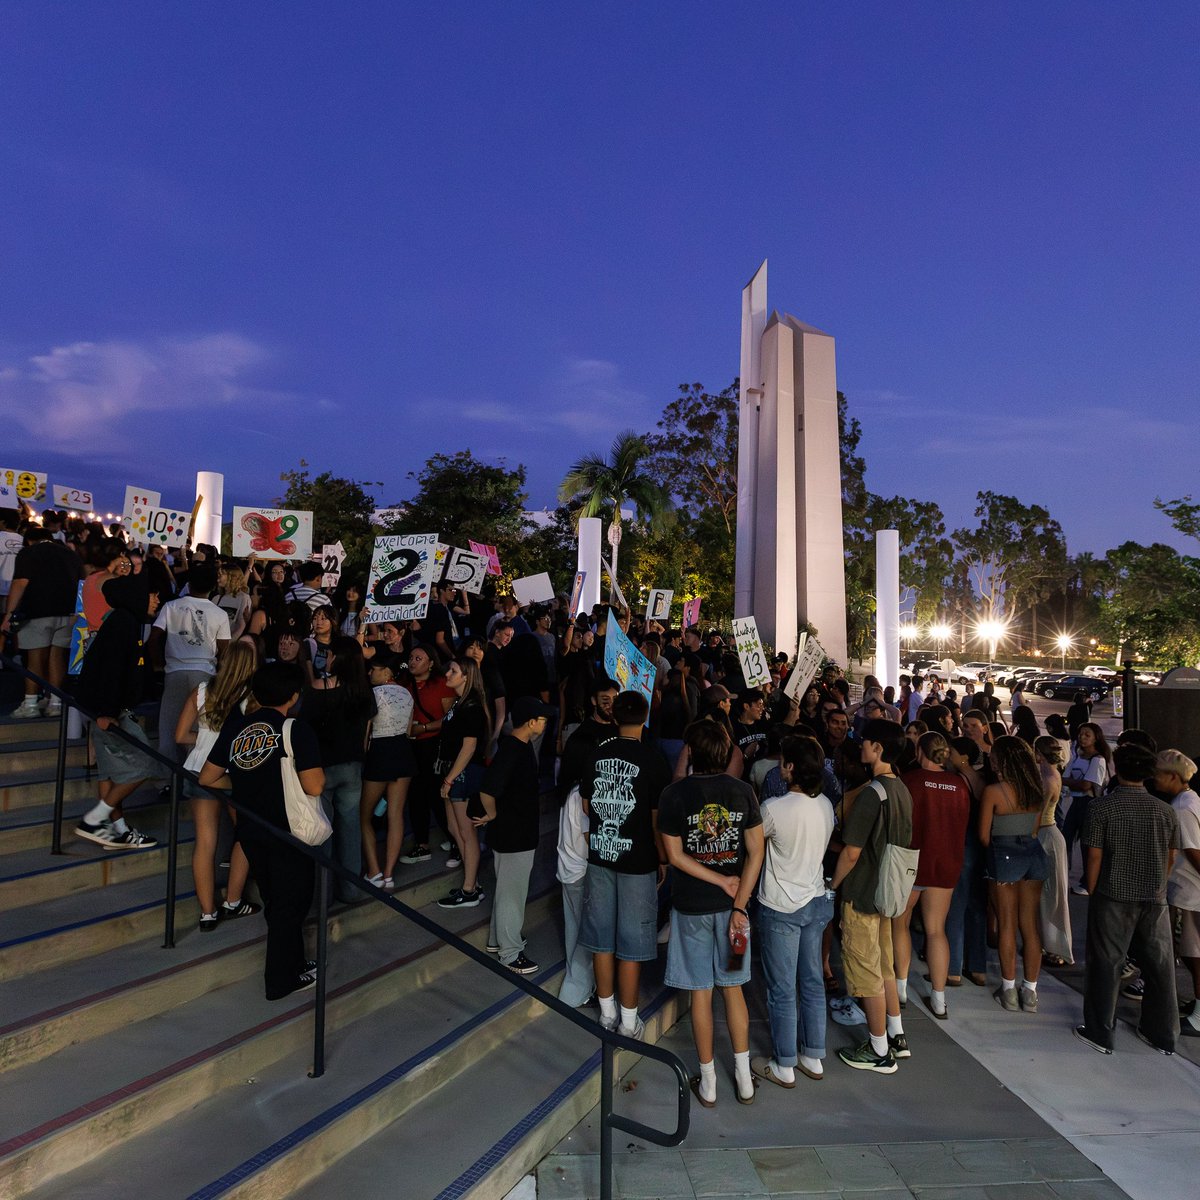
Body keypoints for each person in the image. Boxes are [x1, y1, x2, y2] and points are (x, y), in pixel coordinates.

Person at [200, 662, 325, 1002]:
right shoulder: (295, 730)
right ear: (294, 696)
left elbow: (207, 778)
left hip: (251, 829)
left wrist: (242, 782)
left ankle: (295, 963)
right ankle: (280, 980)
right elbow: (314, 785)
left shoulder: (236, 729)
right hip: (289, 831)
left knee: (275, 901)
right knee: (292, 904)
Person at [659, 719, 764, 1106]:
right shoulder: (743, 791)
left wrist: (717, 881)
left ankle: (708, 1082)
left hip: (691, 911)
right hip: (735, 916)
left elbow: (674, 856)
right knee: (733, 990)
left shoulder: (674, 794)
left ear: (691, 752)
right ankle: (744, 1078)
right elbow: (756, 852)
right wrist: (738, 900)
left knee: (701, 995)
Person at [1074, 742, 1180, 1055]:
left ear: (1117, 769)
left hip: (1113, 893)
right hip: (1154, 895)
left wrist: (1093, 890)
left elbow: (1094, 855)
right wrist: (1159, 884)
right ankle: (1162, 1035)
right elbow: (1171, 855)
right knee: (1160, 967)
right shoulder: (1165, 810)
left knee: (1107, 963)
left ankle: (1100, 1032)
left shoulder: (1102, 808)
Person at [578, 691, 670, 1038]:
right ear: (645, 718)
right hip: (639, 862)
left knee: (601, 939)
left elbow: (586, 805)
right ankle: (629, 1023)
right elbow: (656, 819)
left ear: (614, 717)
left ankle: (606, 1014)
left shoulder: (596, 754)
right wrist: (663, 858)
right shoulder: (654, 759)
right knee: (632, 943)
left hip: (601, 856)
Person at [752, 735, 835, 1087]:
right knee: (812, 982)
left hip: (781, 905)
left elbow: (753, 847)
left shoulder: (773, 808)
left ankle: (784, 1064)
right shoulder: (826, 805)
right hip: (815, 900)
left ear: (790, 767)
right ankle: (813, 1056)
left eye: (782, 761)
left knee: (782, 989)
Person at [176, 641, 262, 928]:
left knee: (205, 843)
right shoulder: (251, 698)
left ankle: (207, 913)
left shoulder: (201, 691)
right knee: (247, 834)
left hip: (198, 769)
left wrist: (204, 739)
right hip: (232, 774)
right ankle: (233, 900)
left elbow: (180, 736)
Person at [73, 571, 161, 849]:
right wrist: (106, 711)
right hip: (111, 711)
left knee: (109, 773)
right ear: (137, 596)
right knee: (145, 764)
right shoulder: (124, 623)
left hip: (106, 707)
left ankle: (117, 830)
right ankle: (95, 820)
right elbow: (111, 669)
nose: (157, 600)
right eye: (153, 595)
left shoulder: (121, 620)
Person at [473, 697, 555, 974]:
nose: (545, 723)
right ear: (530, 722)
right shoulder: (515, 749)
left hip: (513, 832)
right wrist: (492, 814)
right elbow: (488, 790)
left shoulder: (516, 746)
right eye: (542, 719)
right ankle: (510, 953)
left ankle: (498, 940)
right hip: (514, 834)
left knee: (508, 890)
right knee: (513, 893)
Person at [896, 731, 971, 1019]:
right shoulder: (959, 785)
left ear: (920, 752)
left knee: (900, 923)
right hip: (946, 862)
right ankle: (939, 999)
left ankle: (900, 988)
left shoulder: (910, 781)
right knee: (936, 930)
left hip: (912, 861)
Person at [301, 636, 375, 903]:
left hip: (322, 767)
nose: (327, 658)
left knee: (324, 829)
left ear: (338, 658)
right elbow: (367, 732)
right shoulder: (363, 690)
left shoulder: (317, 688)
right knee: (350, 827)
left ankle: (324, 894)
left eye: (331, 654)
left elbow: (304, 729)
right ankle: (351, 889)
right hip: (353, 765)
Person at [980, 736, 1048, 1013]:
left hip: (1003, 854)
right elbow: (1034, 830)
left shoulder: (993, 792)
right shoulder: (1036, 789)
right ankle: (1030, 992)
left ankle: (1008, 990)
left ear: (1002, 761)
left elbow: (983, 835)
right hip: (1034, 853)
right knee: (1029, 925)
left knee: (1006, 923)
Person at [148, 562, 230, 769]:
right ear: (213, 586)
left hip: (174, 672)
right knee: (198, 730)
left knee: (169, 726)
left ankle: (167, 777)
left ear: (189, 583)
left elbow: (154, 637)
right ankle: (194, 774)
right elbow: (225, 650)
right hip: (204, 674)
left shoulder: (171, 606)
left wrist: (157, 664)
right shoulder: (219, 614)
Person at [3, 527, 83, 717]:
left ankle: (31, 703)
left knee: (35, 658)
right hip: (68, 612)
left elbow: (20, 583)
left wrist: (9, 615)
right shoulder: (70, 554)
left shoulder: (29, 553)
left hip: (37, 612)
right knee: (57, 656)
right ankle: (55, 702)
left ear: (30, 540)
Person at [435, 657, 492, 908]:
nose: (448, 674)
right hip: (454, 770)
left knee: (467, 832)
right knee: (454, 826)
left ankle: (469, 890)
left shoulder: (472, 706)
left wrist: (449, 779)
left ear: (466, 676)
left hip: (463, 773)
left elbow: (469, 747)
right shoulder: (460, 703)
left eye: (453, 671)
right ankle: (473, 883)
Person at [358, 651, 414, 889]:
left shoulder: (373, 694)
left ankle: (374, 871)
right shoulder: (407, 693)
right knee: (396, 815)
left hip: (380, 752)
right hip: (403, 750)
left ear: (387, 671)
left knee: (363, 816)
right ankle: (389, 874)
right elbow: (409, 730)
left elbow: (365, 734)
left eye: (374, 668)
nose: (370, 672)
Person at [1155, 750, 1200, 1037]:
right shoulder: (1190, 799)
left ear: (1173, 777)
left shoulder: (1182, 808)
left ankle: (1199, 1017)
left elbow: (1193, 851)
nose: (1154, 779)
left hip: (1190, 892)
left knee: (1194, 954)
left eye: (1159, 774)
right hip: (1188, 890)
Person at [1034, 737, 1073, 966]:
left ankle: (1054, 947)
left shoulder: (1048, 779)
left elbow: (1038, 814)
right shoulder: (1052, 775)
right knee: (1049, 894)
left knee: (1051, 895)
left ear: (1039, 754)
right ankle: (1048, 944)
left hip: (1046, 835)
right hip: (1048, 834)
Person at [1062, 722, 1112, 895]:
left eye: (1087, 735)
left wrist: (1070, 782)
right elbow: (1067, 778)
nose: (1082, 737)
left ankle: (1087, 882)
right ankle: (1065, 875)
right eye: (1081, 734)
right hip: (1077, 801)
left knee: (1087, 844)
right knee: (1067, 838)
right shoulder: (1078, 755)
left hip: (1089, 803)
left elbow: (1086, 785)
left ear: (1096, 738)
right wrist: (1073, 782)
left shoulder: (1097, 759)